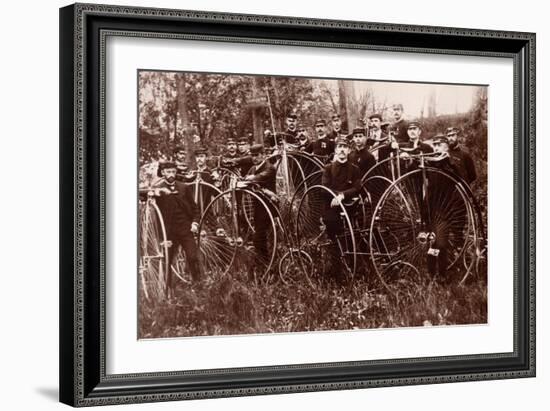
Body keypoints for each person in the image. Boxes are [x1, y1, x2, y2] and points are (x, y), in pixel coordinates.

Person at [151, 161, 202, 293]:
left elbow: (195, 208)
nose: (171, 175)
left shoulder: (183, 187)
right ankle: (166, 290)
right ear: (163, 173)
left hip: (185, 229)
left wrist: (195, 223)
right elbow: (144, 197)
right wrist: (162, 237)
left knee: (193, 257)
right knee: (167, 261)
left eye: (173, 172)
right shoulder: (158, 188)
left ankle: (199, 286)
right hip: (168, 232)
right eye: (168, 172)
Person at [321, 137, 362, 284]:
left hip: (349, 205)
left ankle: (353, 269)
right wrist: (335, 196)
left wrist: (342, 195)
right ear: (335, 150)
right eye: (340, 147)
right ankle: (336, 272)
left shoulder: (354, 169)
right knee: (334, 237)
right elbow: (324, 188)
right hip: (331, 207)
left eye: (345, 147)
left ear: (349, 150)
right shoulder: (328, 168)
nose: (342, 150)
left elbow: (357, 187)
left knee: (352, 236)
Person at [242, 144, 277, 280]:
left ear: (263, 154)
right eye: (253, 155)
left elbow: (260, 177)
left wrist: (250, 178)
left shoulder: (269, 167)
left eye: (257, 155)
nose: (254, 158)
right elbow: (246, 178)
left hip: (268, 207)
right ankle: (263, 266)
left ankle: (267, 266)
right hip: (256, 208)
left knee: (259, 238)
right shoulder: (252, 168)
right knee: (258, 239)